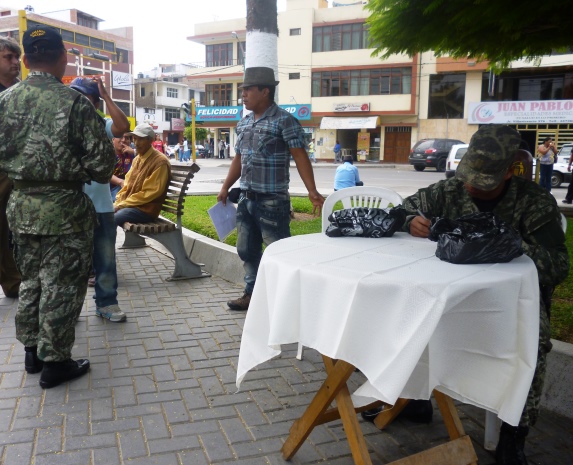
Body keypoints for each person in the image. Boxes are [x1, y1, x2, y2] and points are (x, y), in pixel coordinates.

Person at [401, 125, 569, 465]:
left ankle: (513, 435)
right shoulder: (448, 191)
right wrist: (408, 222)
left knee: (533, 341)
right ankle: (415, 399)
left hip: (509, 304)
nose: (472, 184)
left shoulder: (533, 203)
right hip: (449, 296)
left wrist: (512, 246)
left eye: (484, 177)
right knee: (405, 312)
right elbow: (405, 208)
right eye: (469, 173)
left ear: (509, 171)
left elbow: (558, 266)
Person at [0, 26, 115, 388]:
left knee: (32, 280)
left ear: (26, 59)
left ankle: (32, 352)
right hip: (65, 208)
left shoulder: (5, 101)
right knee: (62, 285)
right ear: (62, 56)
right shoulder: (75, 103)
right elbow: (102, 166)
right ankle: (56, 362)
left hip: (21, 207)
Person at [217, 66, 324, 311]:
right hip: (246, 198)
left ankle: (290, 299)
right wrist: (225, 187)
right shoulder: (243, 124)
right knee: (246, 249)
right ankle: (252, 293)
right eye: (242, 90)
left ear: (265, 91)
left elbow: (300, 157)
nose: (243, 94)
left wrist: (312, 191)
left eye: (248, 90)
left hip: (272, 201)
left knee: (280, 251)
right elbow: (238, 159)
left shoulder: (285, 121)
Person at [69, 76, 130, 323]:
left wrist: (107, 96)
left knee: (105, 259)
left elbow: (122, 125)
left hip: (102, 206)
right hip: (70, 204)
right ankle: (68, 309)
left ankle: (106, 303)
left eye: (84, 96)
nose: (77, 101)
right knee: (71, 261)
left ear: (94, 102)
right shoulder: (64, 124)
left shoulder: (101, 124)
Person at [114, 123, 171, 227]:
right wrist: (118, 201)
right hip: (132, 205)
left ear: (150, 141)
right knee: (104, 213)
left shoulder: (160, 162)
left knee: (113, 218)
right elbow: (127, 184)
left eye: (140, 139)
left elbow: (148, 193)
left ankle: (107, 243)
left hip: (146, 210)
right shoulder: (137, 159)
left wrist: (121, 205)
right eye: (134, 139)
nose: (136, 143)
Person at [0, 37, 22, 298]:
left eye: (17, 57)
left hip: (22, 171)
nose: (15, 62)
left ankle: (15, 282)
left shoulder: (23, 92)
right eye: (9, 57)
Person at [110, 133, 135, 202]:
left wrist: (133, 152)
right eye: (120, 137)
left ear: (130, 142)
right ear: (113, 140)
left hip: (127, 191)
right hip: (109, 191)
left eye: (127, 138)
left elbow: (152, 156)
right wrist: (120, 182)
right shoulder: (108, 154)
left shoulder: (132, 155)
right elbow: (103, 173)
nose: (123, 140)